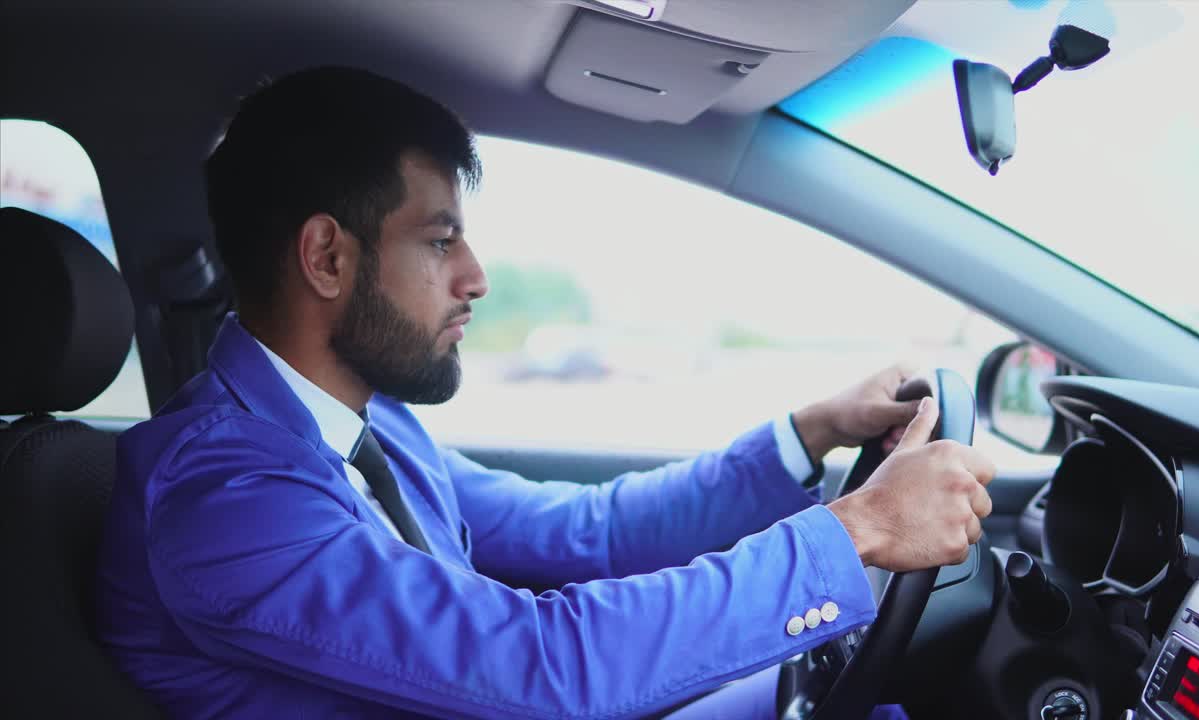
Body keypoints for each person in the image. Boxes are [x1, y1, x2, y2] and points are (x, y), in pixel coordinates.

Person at [96, 66, 995, 720]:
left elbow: (587, 531)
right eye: (441, 241)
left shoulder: (371, 428)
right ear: (328, 257)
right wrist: (862, 528)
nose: (477, 277)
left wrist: (811, 431)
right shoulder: (224, 501)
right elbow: (539, 665)